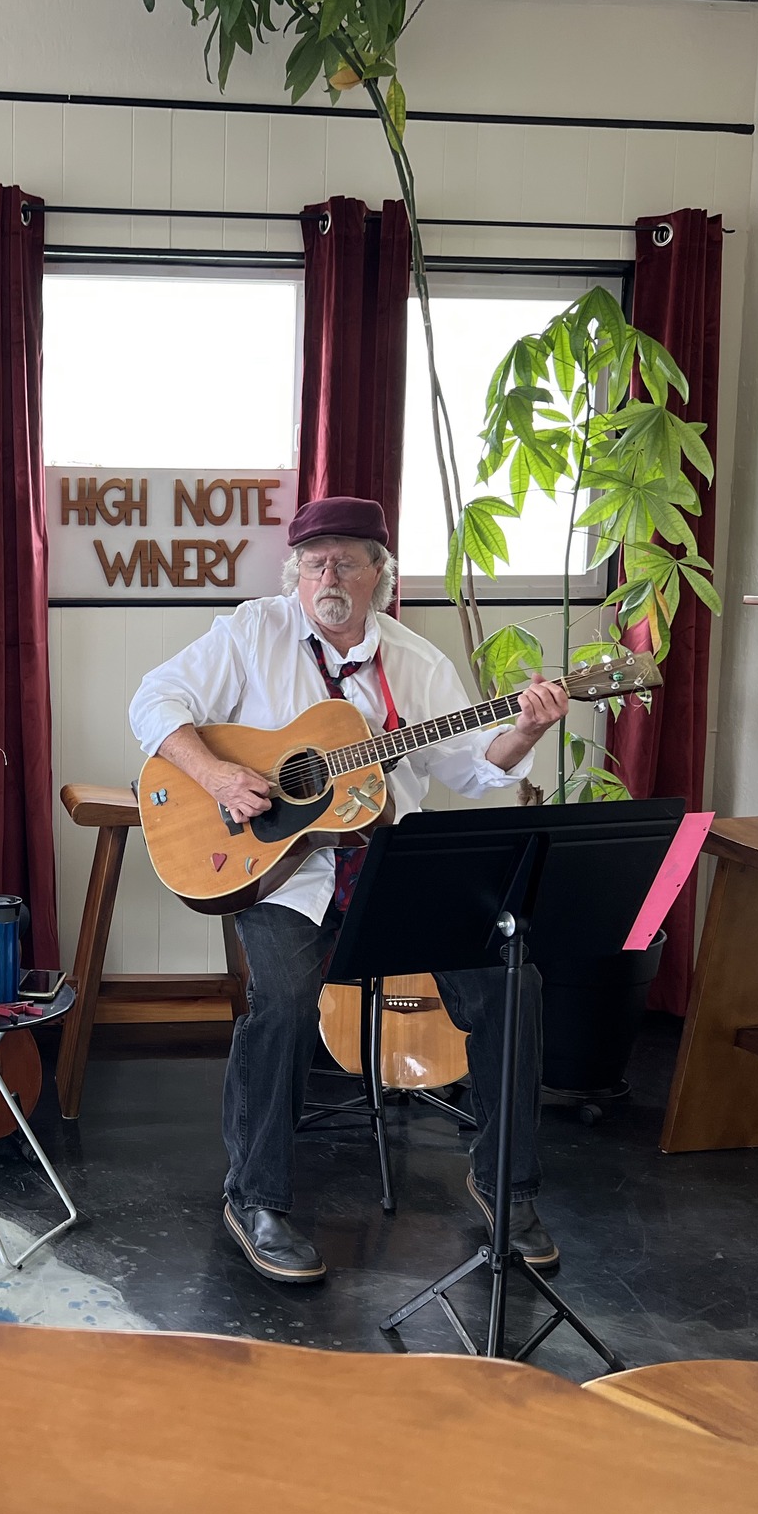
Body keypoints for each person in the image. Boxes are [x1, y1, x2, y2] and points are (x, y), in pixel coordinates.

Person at [128, 496, 570, 1285]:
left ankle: (508, 1184)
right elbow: (153, 702)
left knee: (512, 979)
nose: (328, 575)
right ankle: (255, 1199)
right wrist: (218, 774)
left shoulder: (416, 662)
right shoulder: (251, 632)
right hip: (285, 874)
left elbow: (473, 767)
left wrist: (528, 728)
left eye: (346, 561)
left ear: (379, 575)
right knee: (283, 1000)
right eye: (314, 562)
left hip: (393, 867)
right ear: (295, 573)